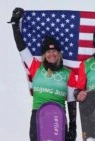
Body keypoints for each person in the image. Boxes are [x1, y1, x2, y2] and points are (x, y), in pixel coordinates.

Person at [9, 8, 77, 141]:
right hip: (38, 116)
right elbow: (22, 48)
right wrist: (15, 25)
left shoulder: (68, 73)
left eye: (54, 51)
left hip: (58, 117)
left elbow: (71, 102)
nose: (51, 54)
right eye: (48, 52)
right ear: (44, 55)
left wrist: (73, 128)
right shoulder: (35, 67)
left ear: (59, 53)